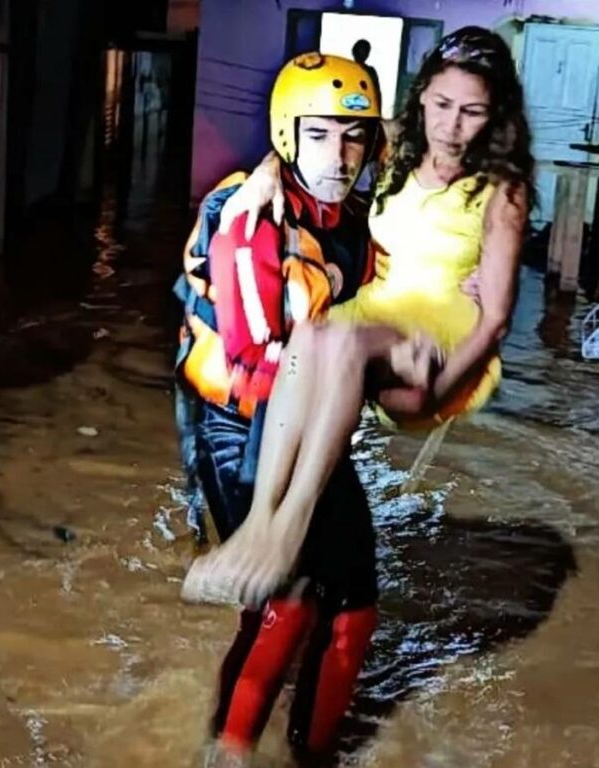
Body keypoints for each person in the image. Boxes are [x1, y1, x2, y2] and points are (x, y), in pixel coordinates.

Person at [184, 26, 534, 618]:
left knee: (337, 342)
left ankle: (287, 525)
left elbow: (496, 319)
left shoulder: (503, 191)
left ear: (494, 116)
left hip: (433, 341)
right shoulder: (397, 149)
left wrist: (440, 391)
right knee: (313, 335)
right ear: (421, 97)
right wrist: (269, 169)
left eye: (472, 112)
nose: (451, 126)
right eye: (442, 105)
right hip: (372, 318)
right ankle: (261, 526)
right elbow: (323, 135)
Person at [174, 52, 419, 765]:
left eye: (353, 137)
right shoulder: (246, 213)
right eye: (318, 135)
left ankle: (312, 754)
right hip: (241, 425)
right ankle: (229, 749)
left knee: (356, 608)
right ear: (287, 135)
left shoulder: (354, 217)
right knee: (292, 599)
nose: (337, 155)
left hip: (312, 415)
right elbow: (261, 350)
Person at [352, 39, 383, 115]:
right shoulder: (347, 69)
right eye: (361, 50)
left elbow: (376, 92)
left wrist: (378, 111)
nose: (363, 53)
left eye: (366, 51)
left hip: (366, 108)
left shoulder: (370, 71)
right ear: (354, 51)